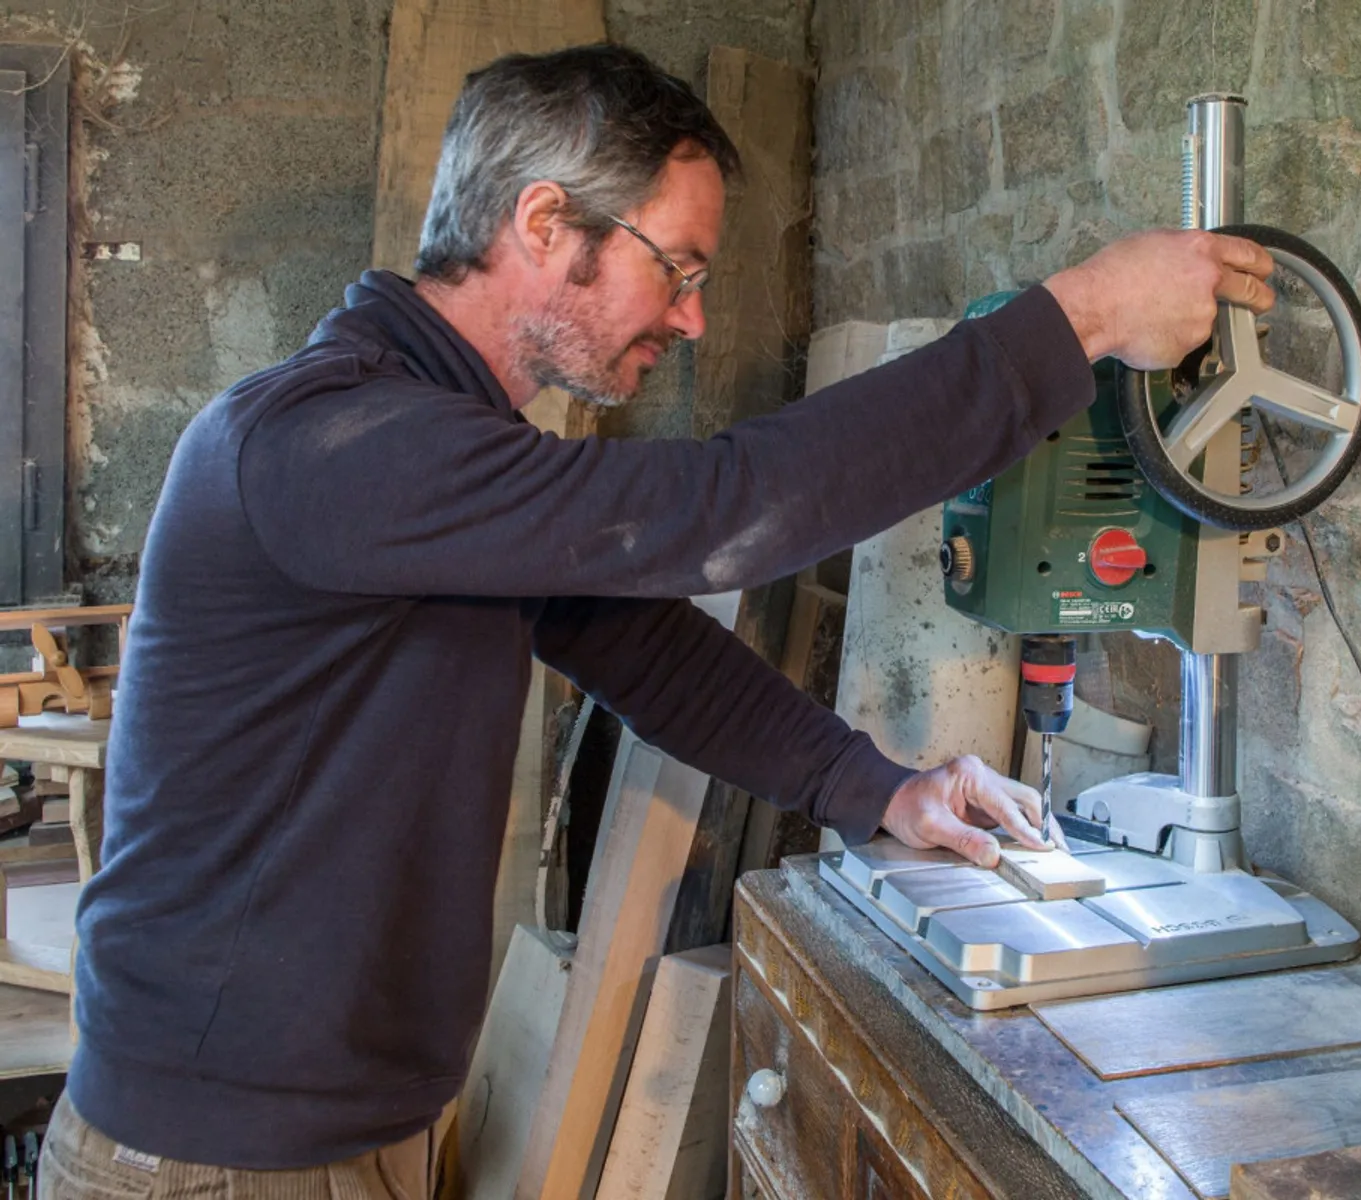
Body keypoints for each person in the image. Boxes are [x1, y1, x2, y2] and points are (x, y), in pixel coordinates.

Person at [40, 42, 1275, 1198]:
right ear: (543, 223)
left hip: (343, 1126)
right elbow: (720, 512)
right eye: (675, 268)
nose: (688, 318)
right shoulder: (328, 443)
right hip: (212, 1157)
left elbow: (647, 646)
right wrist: (1082, 321)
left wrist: (878, 788)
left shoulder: (439, 454)